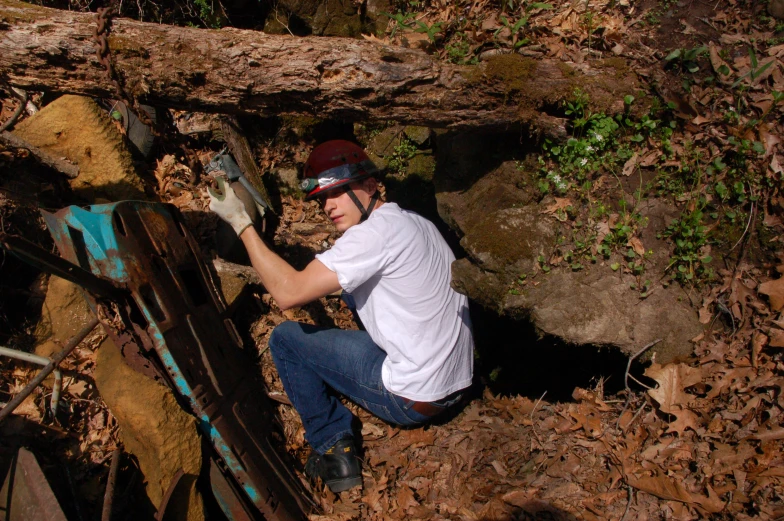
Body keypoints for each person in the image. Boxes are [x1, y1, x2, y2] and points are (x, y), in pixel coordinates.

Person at [207, 140, 473, 493]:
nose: (329, 206)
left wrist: (242, 223)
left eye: (339, 192)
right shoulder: (415, 222)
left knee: (286, 340)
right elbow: (343, 282)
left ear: (370, 185)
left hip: (414, 398)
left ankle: (334, 448)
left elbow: (287, 293)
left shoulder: (371, 236)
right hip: (456, 382)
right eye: (322, 198)